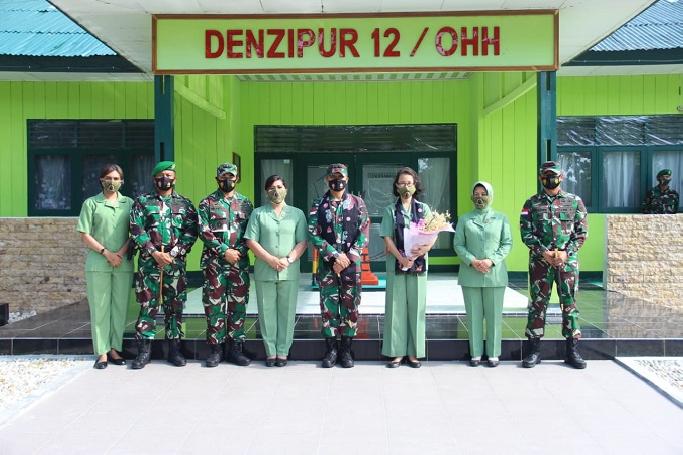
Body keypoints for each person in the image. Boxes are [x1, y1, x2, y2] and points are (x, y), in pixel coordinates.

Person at [129, 161, 198, 369]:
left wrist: (173, 253)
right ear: (154, 179)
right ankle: (144, 351)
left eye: (169, 175)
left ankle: (174, 350)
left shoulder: (185, 204)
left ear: (175, 178)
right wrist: (154, 252)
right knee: (148, 305)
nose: (165, 179)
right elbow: (136, 228)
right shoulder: (142, 202)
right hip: (149, 263)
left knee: (174, 306)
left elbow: (191, 231)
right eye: (161, 175)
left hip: (174, 264)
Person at [520, 161, 588, 369]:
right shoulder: (531, 203)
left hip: (567, 263)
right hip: (541, 263)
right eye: (546, 176)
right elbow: (526, 233)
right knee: (538, 304)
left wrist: (567, 253)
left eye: (553, 175)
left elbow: (581, 232)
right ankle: (534, 350)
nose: (550, 179)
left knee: (569, 303)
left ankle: (572, 350)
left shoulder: (574, 201)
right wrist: (544, 252)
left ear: (561, 177)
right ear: (541, 178)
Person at [308, 163, 369, 368]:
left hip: (351, 267)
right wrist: (334, 256)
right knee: (329, 308)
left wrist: (347, 258)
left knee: (350, 307)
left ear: (347, 179)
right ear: (327, 179)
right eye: (333, 177)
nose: (337, 180)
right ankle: (331, 350)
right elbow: (313, 233)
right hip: (328, 266)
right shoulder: (318, 204)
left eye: (341, 177)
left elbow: (364, 232)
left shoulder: (357, 203)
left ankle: (346, 350)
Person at [245, 175, 308, 367]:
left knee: (287, 313)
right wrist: (271, 260)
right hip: (265, 270)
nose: (276, 191)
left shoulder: (297, 214)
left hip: (289, 271)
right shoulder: (258, 214)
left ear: (286, 190)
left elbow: (302, 241)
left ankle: (283, 351)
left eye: (280, 187)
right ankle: (270, 351)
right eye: (272, 187)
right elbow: (251, 241)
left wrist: (288, 259)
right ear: (266, 191)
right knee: (267, 312)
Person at [76, 164, 134, 369]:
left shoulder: (129, 203)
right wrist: (107, 253)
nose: (112, 182)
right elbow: (84, 234)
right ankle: (102, 352)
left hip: (122, 262)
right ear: (101, 180)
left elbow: (134, 233)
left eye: (116, 178)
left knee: (120, 307)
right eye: (108, 178)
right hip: (98, 263)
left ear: (122, 181)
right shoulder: (91, 203)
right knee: (99, 308)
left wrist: (120, 254)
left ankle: (115, 348)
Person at [198, 163, 254, 367]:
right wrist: (224, 251)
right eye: (223, 177)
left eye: (231, 176)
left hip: (239, 263)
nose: (227, 180)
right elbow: (203, 231)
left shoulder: (246, 204)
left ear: (237, 179)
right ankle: (216, 349)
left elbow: (251, 232)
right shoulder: (207, 203)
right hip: (214, 263)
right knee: (214, 305)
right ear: (217, 179)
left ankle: (236, 349)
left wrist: (239, 251)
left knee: (238, 305)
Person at [453, 181, 512, 368]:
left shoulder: (501, 218)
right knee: (473, 316)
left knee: (494, 316)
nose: (479, 197)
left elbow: (507, 243)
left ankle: (493, 353)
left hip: (494, 274)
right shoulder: (464, 219)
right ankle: (476, 353)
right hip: (470, 273)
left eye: (483, 193)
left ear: (490, 195)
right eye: (476, 193)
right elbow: (458, 244)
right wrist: (472, 260)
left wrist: (491, 260)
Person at [380, 167, 434, 368]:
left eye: (409, 183)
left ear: (415, 185)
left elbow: (433, 234)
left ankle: (414, 353)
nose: (405, 186)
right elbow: (387, 238)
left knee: (416, 308)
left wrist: (423, 249)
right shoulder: (390, 210)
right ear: (396, 186)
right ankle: (396, 352)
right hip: (396, 264)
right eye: (402, 183)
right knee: (396, 308)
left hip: (418, 264)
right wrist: (402, 259)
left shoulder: (424, 209)